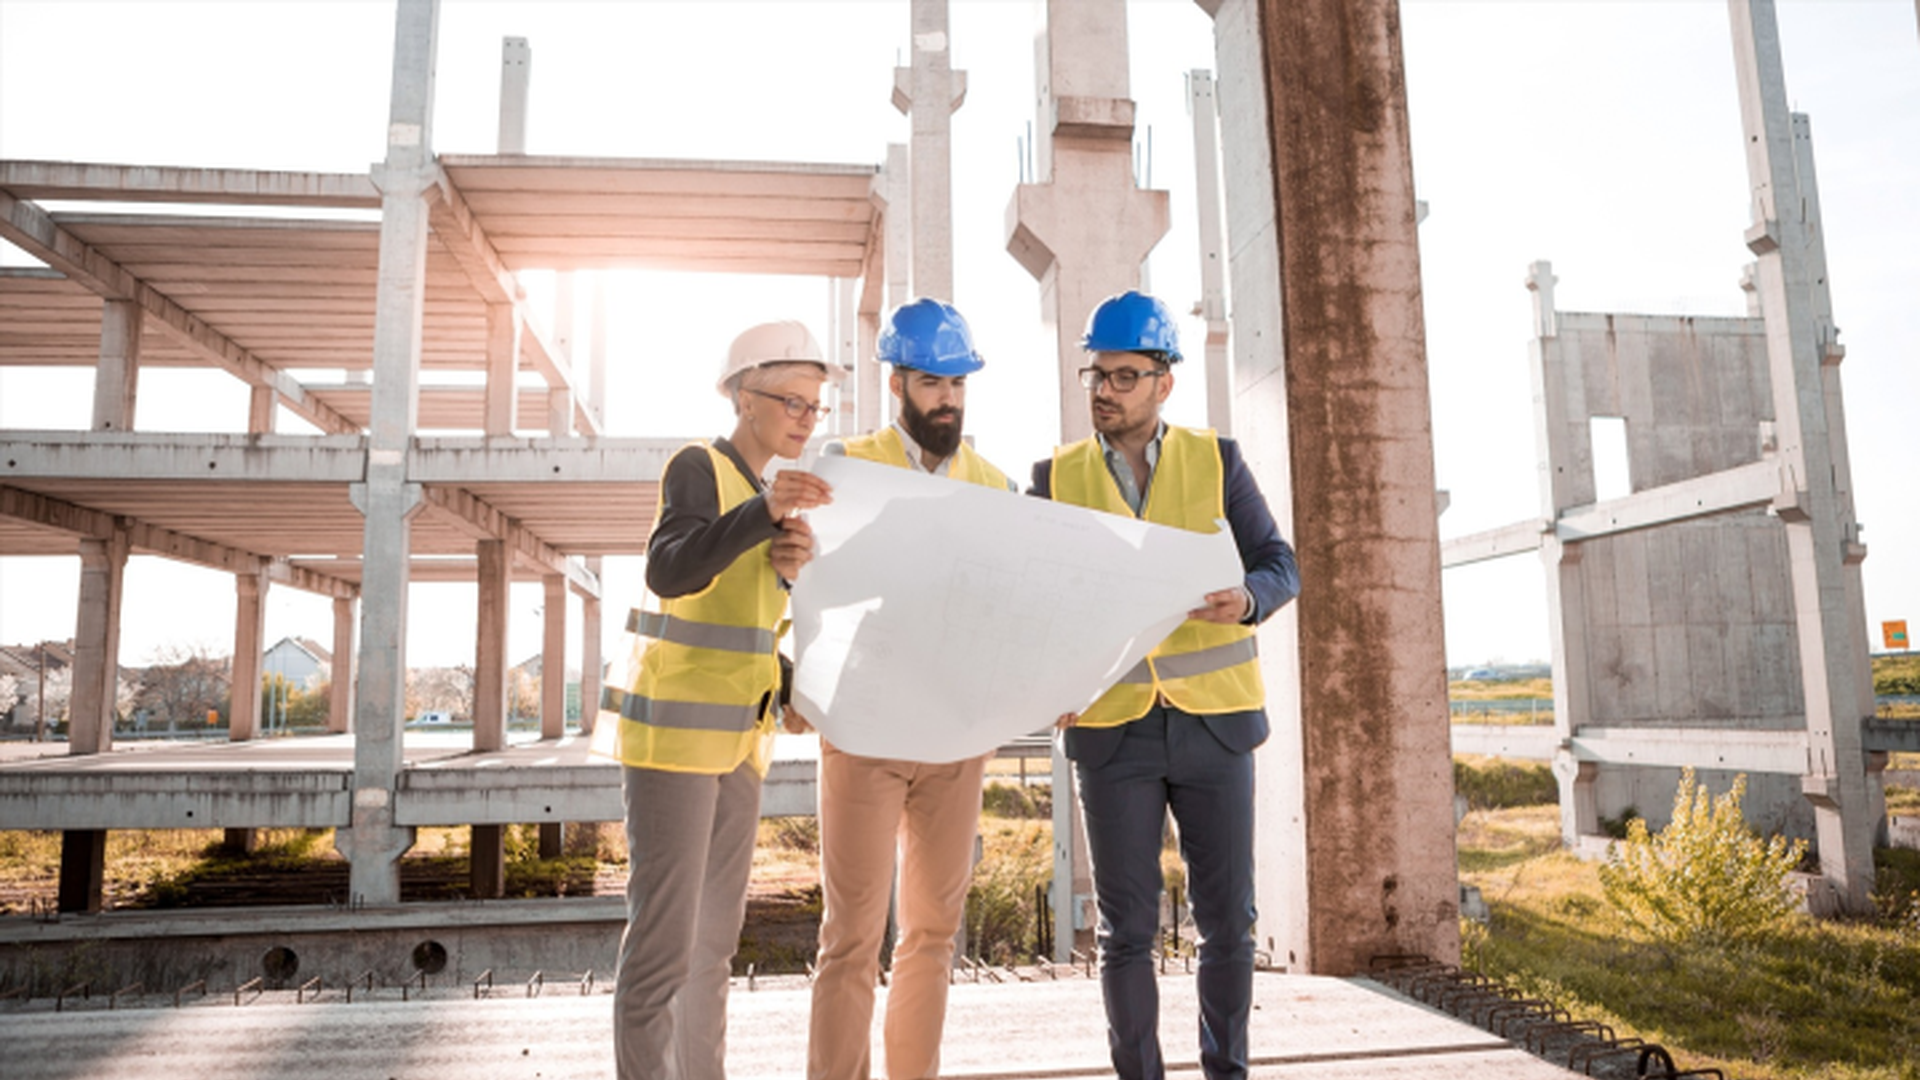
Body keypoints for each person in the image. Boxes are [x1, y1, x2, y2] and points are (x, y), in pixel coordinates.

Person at [1029, 291, 1299, 1080]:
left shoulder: (1217, 461)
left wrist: (1246, 600)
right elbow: (1024, 598)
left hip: (1215, 726)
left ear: (1163, 384)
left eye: (1122, 375)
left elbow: (1279, 565)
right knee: (1126, 931)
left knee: (1227, 925)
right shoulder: (1054, 476)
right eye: (1096, 375)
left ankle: (1227, 1073)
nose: (1104, 391)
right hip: (1113, 733)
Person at [607, 319, 840, 1080]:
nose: (806, 417)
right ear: (744, 396)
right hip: (674, 743)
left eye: (816, 405)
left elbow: (742, 634)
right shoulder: (699, 467)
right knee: (664, 947)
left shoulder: (765, 497)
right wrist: (761, 518)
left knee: (713, 947)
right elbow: (669, 572)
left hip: (741, 744)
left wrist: (794, 673)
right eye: (792, 401)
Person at [802, 298, 1017, 1080]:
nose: (949, 398)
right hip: (865, 731)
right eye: (933, 381)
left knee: (931, 935)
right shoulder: (847, 466)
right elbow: (810, 588)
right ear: (899, 382)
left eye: (959, 382)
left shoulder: (995, 483)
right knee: (851, 935)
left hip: (956, 737)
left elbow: (1010, 607)